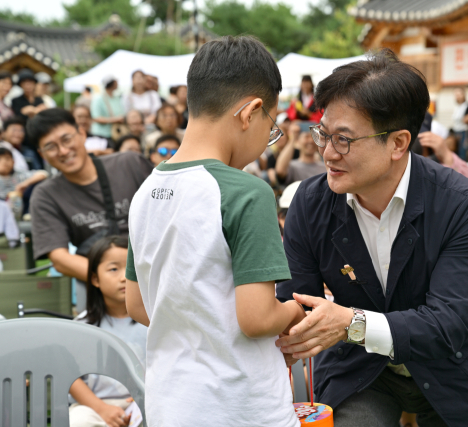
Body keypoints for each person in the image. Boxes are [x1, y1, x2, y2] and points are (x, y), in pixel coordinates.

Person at [274, 49, 468, 427]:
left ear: (398, 143)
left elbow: (448, 321)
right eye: (323, 133)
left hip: (453, 365)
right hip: (359, 369)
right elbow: (294, 301)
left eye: (344, 139)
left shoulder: (459, 200)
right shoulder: (310, 201)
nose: (328, 152)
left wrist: (351, 323)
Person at [124, 36, 305, 427]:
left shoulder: (146, 192)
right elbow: (256, 318)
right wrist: (295, 309)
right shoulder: (246, 191)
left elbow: (138, 306)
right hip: (241, 407)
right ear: (251, 112)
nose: (266, 141)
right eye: (270, 127)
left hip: (170, 404)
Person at [27, 108, 153, 312]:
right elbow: (59, 258)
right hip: (103, 294)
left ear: (82, 133)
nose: (63, 151)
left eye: (66, 139)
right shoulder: (45, 195)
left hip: (154, 273)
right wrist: (110, 279)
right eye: (51, 147)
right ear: (41, 154)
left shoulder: (130, 164)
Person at [68, 235, 146, 427]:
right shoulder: (82, 326)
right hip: (93, 406)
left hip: (145, 402)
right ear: (95, 278)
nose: (124, 277)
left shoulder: (153, 321)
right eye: (113, 269)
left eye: (131, 269)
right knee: (78, 421)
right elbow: (71, 376)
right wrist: (101, 408)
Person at [0, 147, 47, 219]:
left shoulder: (19, 174)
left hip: (21, 209)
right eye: (0, 159)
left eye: (7, 158)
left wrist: (24, 184)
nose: (4, 162)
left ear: (13, 162)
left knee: (37, 185)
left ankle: (29, 213)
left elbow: (43, 174)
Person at [90, 75, 125, 141]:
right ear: (112, 83)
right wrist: (115, 119)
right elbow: (96, 118)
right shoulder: (98, 99)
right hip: (102, 135)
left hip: (115, 133)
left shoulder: (116, 98)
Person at [451, 87, 468, 160]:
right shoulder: (457, 107)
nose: (457, 96)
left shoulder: (467, 106)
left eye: (459, 94)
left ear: (464, 95)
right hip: (456, 133)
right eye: (456, 94)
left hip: (464, 132)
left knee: (462, 154)